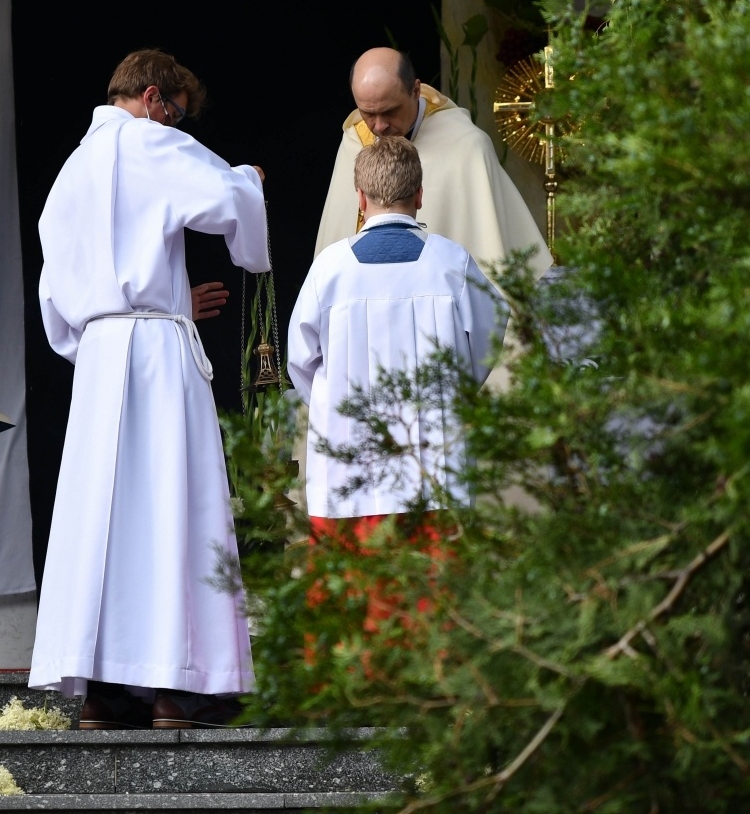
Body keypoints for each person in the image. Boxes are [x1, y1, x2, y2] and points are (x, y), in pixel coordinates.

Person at [29, 49, 269, 729]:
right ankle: (175, 689)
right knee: (171, 508)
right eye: (178, 113)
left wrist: (107, 325)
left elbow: (55, 295)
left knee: (105, 521)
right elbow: (229, 203)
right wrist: (250, 178)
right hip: (156, 354)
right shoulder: (152, 141)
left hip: (101, 357)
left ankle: (102, 691)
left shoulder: (70, 171)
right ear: (155, 97)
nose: (177, 125)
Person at [289, 136, 506, 531]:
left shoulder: (329, 269)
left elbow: (301, 361)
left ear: (360, 198)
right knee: (434, 586)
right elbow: (489, 336)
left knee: (355, 586)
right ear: (420, 195)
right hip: (435, 465)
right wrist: (454, 392)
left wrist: (334, 405)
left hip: (348, 466)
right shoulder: (451, 263)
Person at [313, 47, 552, 281]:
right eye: (367, 113)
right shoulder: (355, 142)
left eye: (390, 111)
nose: (379, 126)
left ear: (416, 90)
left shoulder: (466, 146)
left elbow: (487, 254)